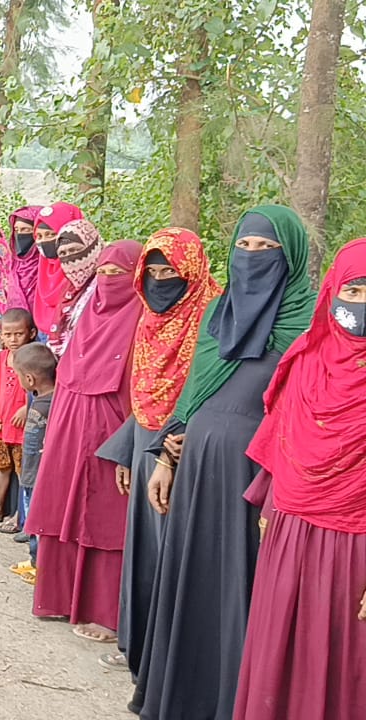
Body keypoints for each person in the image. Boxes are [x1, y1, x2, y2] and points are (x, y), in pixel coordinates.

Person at [133, 206, 316, 720]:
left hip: (258, 477)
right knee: (195, 578)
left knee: (245, 583)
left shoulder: (308, 325)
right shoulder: (219, 315)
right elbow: (193, 393)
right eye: (245, 247)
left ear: (293, 256)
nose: (252, 257)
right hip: (195, 469)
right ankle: (181, 699)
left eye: (267, 249)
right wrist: (167, 455)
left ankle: (234, 703)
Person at [232, 238, 366, 720]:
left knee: (346, 664)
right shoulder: (306, 362)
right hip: (290, 530)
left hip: (357, 546)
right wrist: (269, 509)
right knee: (281, 648)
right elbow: (279, 446)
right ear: (331, 293)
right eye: (352, 291)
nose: (360, 304)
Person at [94, 227, 219, 675]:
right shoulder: (150, 320)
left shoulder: (213, 317)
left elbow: (205, 391)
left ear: (192, 270)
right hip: (147, 443)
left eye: (172, 271)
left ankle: (169, 661)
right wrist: (132, 447)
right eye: (154, 271)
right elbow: (145, 394)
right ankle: (137, 647)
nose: (161, 281)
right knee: (145, 553)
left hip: (188, 452)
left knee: (176, 556)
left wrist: (168, 450)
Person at [26, 240, 143, 643]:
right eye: (105, 273)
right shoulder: (86, 314)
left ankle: (104, 611)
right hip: (70, 423)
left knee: (103, 518)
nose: (110, 281)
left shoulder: (142, 321)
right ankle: (58, 597)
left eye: (120, 274)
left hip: (112, 429)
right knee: (62, 508)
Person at [0, 307, 35, 525]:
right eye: (7, 334)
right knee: (2, 468)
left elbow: (42, 389)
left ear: (30, 333)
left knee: (23, 474)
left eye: (18, 334)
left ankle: (21, 516)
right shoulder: (2, 357)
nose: (12, 339)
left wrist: (26, 407)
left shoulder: (33, 357)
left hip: (22, 430)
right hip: (2, 425)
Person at [9, 342, 58, 584]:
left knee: (36, 521)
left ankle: (40, 565)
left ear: (29, 379)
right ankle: (33, 559)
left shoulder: (49, 405)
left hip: (38, 473)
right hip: (30, 469)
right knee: (31, 521)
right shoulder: (44, 399)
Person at [45, 219, 103, 357]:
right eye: (63, 254)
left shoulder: (106, 284)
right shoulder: (68, 289)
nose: (71, 259)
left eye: (75, 250)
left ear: (93, 246)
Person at [31, 202, 84, 339]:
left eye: (50, 234)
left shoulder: (83, 272)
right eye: (39, 236)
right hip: (44, 338)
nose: (44, 241)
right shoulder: (44, 269)